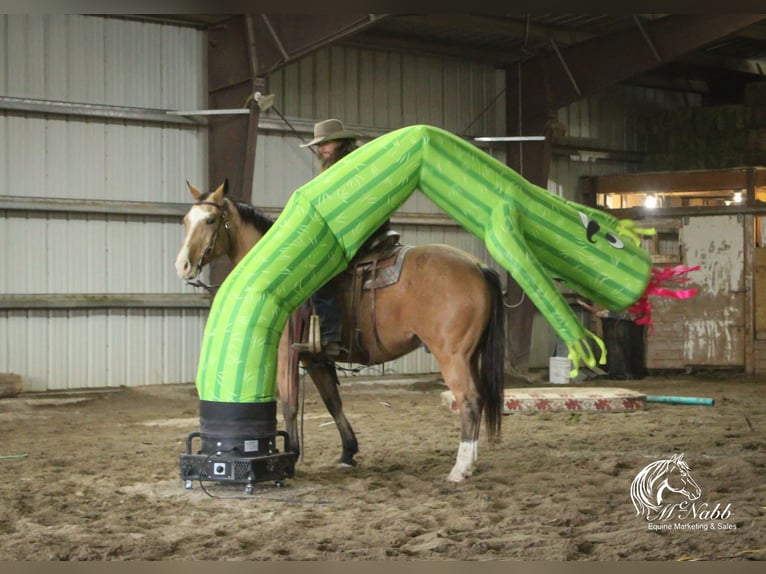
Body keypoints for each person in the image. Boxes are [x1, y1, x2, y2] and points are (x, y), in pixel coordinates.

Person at [292, 119, 395, 357]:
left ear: (341, 142)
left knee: (319, 272)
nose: (321, 149)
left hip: (363, 229)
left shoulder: (346, 167)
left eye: (326, 143)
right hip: (367, 226)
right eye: (319, 145)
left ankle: (330, 335)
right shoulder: (349, 163)